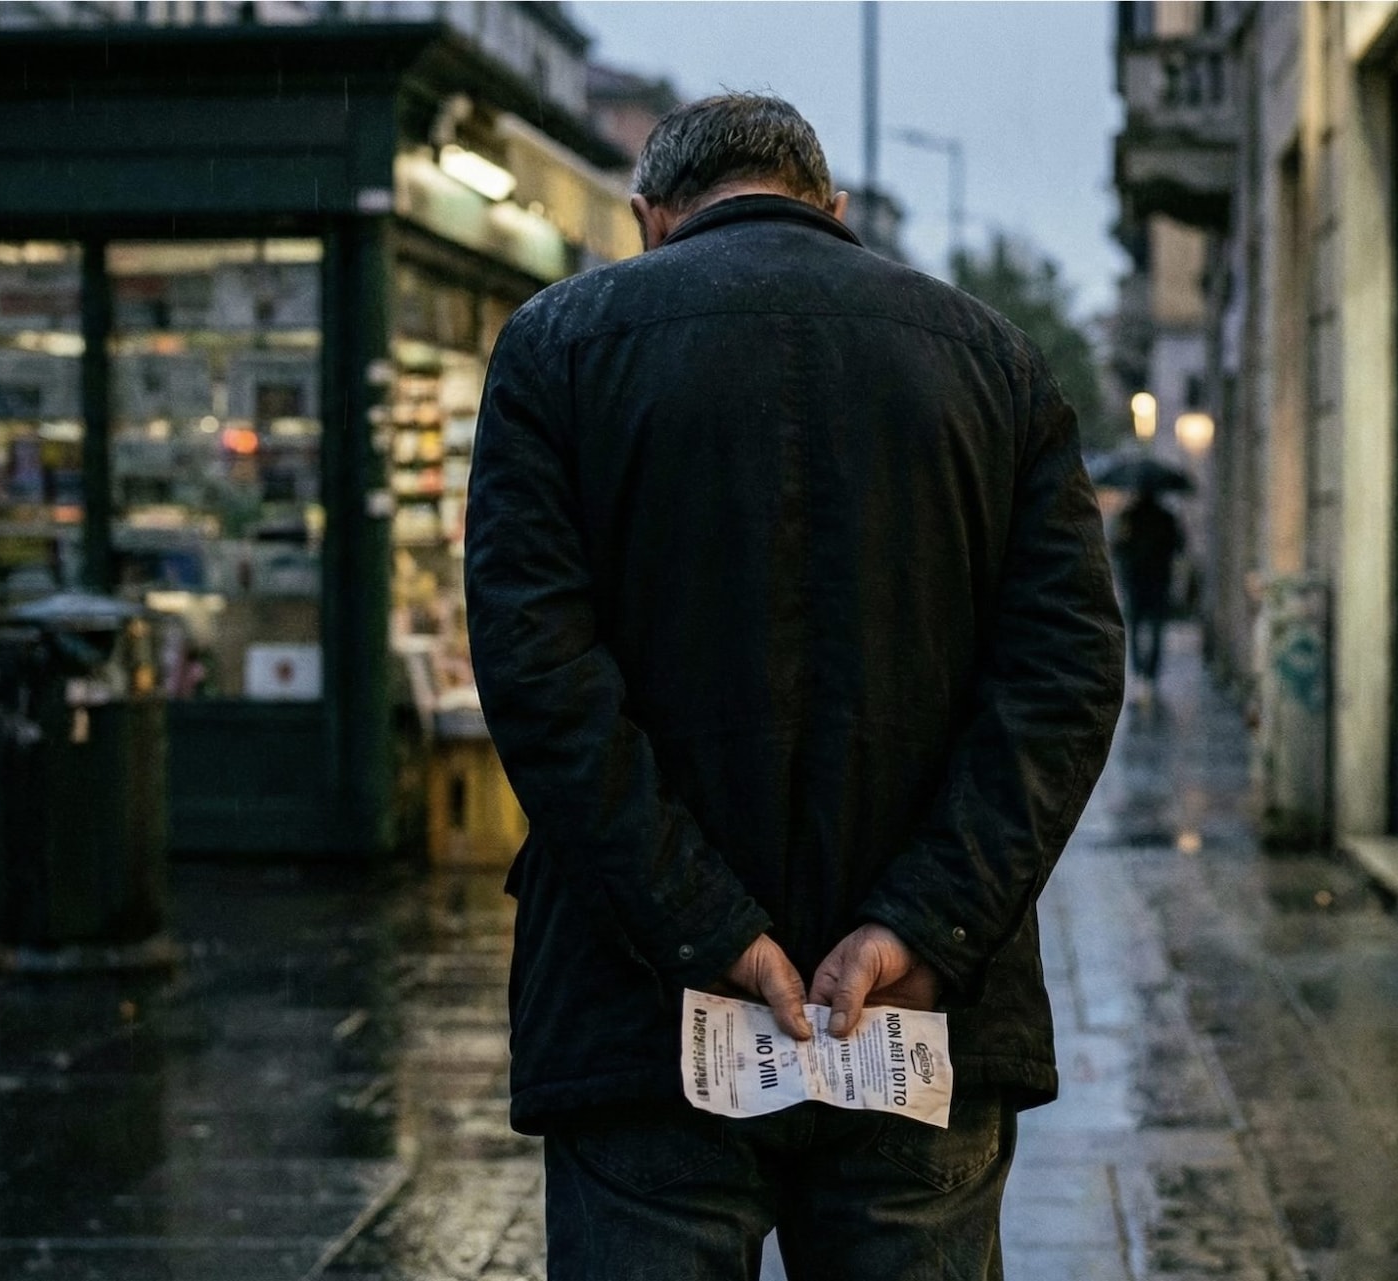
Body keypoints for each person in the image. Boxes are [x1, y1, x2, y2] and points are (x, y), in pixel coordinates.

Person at [464, 93, 1124, 1281]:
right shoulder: (993, 360)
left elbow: (538, 674)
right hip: (917, 1014)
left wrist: (705, 927)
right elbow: (1065, 670)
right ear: (832, 207)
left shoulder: (557, 346)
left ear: (648, 218)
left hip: (641, 1010)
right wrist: (924, 922)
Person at [1110, 481, 1185, 696]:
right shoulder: (1165, 517)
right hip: (1158, 579)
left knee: (1135, 627)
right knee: (1156, 627)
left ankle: (1139, 672)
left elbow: (1117, 546)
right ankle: (1151, 673)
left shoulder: (1128, 516)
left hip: (1135, 579)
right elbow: (1179, 545)